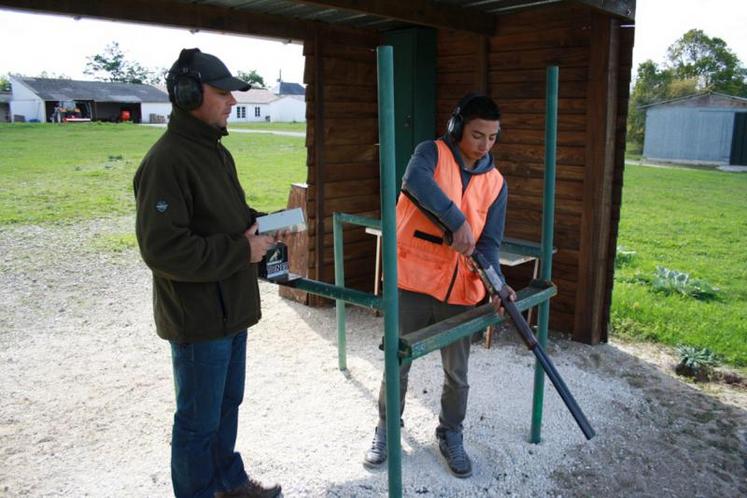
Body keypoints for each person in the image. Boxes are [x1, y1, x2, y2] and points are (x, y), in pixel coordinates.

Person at [133, 48, 281, 498]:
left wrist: (264, 223)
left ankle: (229, 485)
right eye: (223, 93)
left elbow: (226, 217)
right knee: (197, 421)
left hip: (230, 308)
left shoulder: (216, 152)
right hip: (198, 317)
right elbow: (164, 249)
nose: (232, 102)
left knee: (226, 407)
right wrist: (243, 249)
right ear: (188, 94)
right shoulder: (166, 161)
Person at [363, 93, 516, 478]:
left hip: (461, 290)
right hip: (412, 282)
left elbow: (490, 245)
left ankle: (450, 433)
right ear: (457, 127)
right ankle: (386, 427)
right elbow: (413, 181)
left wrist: (497, 284)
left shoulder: (496, 184)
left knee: (458, 376)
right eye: (478, 135)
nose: (484, 146)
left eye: (493, 137)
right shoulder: (429, 153)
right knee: (397, 364)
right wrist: (456, 220)